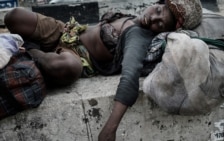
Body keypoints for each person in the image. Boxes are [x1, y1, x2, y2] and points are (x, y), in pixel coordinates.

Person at [4, 0, 203, 140]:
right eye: (158, 10)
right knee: (14, 16)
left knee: (65, 68)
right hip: (67, 31)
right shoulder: (136, 17)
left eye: (160, 24)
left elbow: (130, 77)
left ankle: (29, 51)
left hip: (76, 56)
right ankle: (34, 50)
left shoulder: (138, 37)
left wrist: (110, 127)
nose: (153, 19)